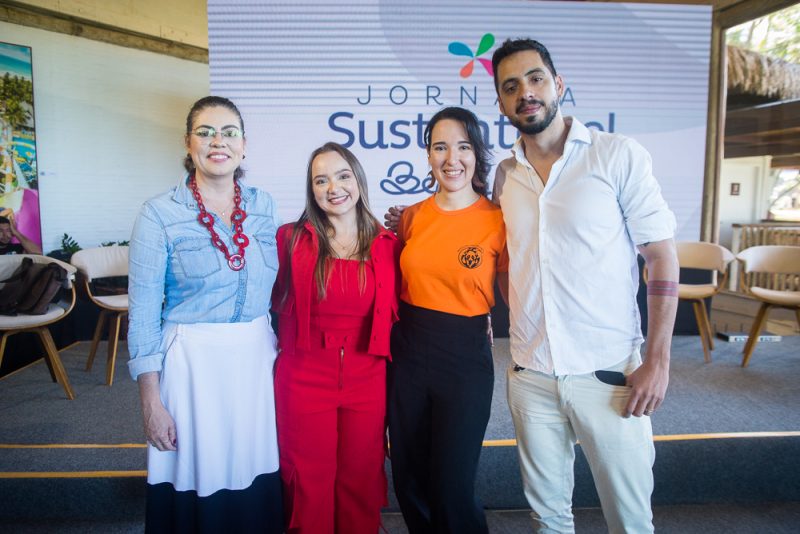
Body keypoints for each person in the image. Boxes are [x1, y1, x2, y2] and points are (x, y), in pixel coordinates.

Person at [491, 39, 679, 533]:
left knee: (630, 520)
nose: (525, 93)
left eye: (534, 79)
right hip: (530, 375)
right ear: (501, 102)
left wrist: (657, 360)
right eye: (510, 86)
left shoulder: (616, 155)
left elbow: (661, 257)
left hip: (610, 375)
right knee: (548, 519)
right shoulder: (505, 175)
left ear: (558, 84)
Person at [128, 96, 283, 533]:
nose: (219, 142)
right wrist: (150, 403)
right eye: (206, 131)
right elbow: (142, 314)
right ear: (188, 142)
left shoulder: (264, 206)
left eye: (229, 132)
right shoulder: (158, 214)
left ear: (244, 145)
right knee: (199, 478)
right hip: (191, 367)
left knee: (255, 470)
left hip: (256, 362)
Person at [388, 106, 507, 534]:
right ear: (428, 155)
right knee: (409, 473)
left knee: (452, 484)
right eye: (440, 147)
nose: (451, 158)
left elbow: (516, 289)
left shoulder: (498, 219)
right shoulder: (411, 217)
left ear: (477, 152)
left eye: (462, 146)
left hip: (464, 357)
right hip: (408, 349)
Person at [272, 142, 400, 534]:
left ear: (358, 179)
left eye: (343, 176)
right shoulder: (288, 240)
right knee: (308, 480)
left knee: (360, 478)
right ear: (311, 191)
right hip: (304, 377)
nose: (334, 187)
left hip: (368, 378)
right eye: (321, 180)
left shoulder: (388, 245)